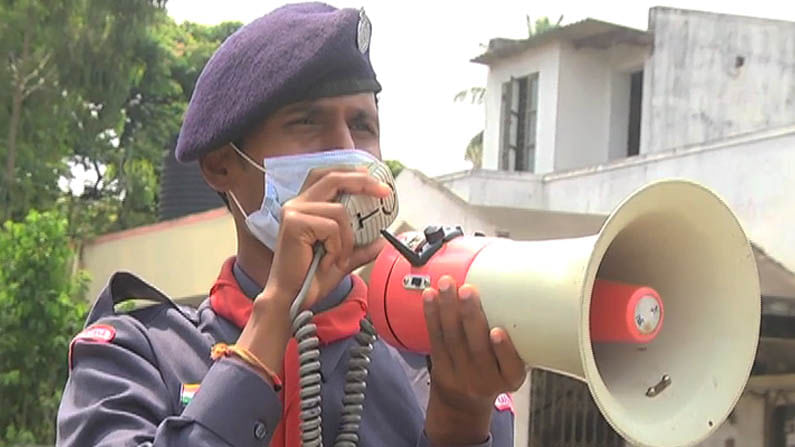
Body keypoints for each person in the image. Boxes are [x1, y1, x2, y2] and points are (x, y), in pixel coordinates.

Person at [56, 3, 526, 446]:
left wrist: (461, 422)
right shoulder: (134, 355)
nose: (347, 153)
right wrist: (276, 314)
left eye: (362, 126)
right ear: (222, 166)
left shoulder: (437, 364)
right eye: (307, 122)